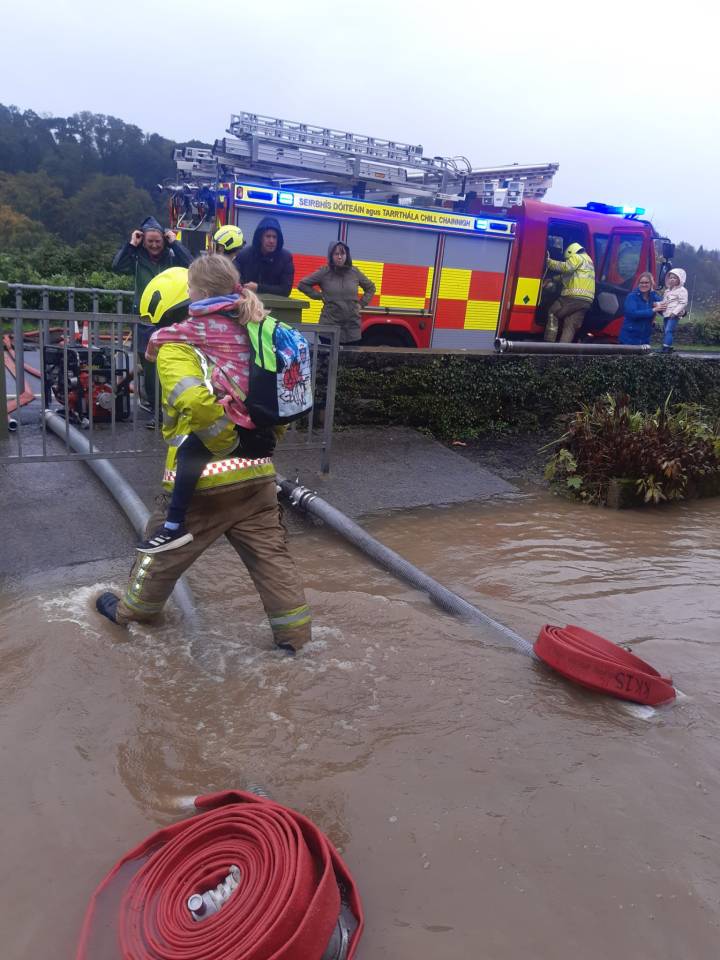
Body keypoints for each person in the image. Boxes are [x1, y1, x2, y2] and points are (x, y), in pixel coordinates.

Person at [94, 264, 312, 654]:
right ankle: (295, 641)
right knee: (272, 561)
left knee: (160, 553)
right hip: (259, 477)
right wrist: (261, 441)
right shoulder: (250, 333)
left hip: (201, 483)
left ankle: (130, 614)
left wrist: (226, 443)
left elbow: (193, 400)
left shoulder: (176, 346)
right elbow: (274, 400)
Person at [138, 255, 276, 553]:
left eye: (190, 287)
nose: (188, 292)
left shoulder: (200, 326)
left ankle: (174, 526)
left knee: (190, 451)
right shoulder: (248, 316)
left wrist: (149, 352)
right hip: (258, 420)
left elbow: (161, 337)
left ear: (202, 293)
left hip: (233, 412)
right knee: (270, 557)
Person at [112, 216, 193, 414]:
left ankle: (174, 407)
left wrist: (175, 242)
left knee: (173, 362)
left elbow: (192, 265)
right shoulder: (137, 258)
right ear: (143, 240)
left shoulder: (172, 255)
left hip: (171, 315)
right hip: (145, 316)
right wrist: (131, 245)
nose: (155, 245)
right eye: (150, 241)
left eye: (158, 241)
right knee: (149, 366)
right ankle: (156, 411)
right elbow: (117, 267)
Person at [298, 241, 376, 345]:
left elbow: (370, 287)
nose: (340, 257)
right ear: (331, 255)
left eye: (342, 254)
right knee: (329, 360)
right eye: (336, 254)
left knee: (349, 360)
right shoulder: (324, 272)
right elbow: (302, 284)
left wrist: (361, 304)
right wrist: (319, 296)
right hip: (329, 329)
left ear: (346, 255)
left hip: (352, 330)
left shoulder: (354, 272)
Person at [544, 242, 596, 343]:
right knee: (570, 326)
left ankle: (548, 344)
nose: (568, 260)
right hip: (586, 301)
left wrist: (549, 262)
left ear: (571, 252)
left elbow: (566, 268)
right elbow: (568, 275)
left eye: (568, 259)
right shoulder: (589, 260)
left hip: (573, 297)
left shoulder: (577, 257)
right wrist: (553, 279)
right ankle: (562, 352)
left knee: (552, 312)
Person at [233, 216, 294, 297]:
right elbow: (233, 280)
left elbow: (285, 290)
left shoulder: (286, 258)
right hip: (246, 304)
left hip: (275, 307)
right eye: (268, 236)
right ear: (260, 238)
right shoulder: (244, 255)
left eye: (274, 237)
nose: (271, 241)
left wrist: (259, 288)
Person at [618, 272, 662, 345]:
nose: (644, 285)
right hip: (629, 339)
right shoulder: (631, 297)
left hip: (644, 340)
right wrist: (653, 310)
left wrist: (681, 312)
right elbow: (632, 314)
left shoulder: (654, 297)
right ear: (638, 284)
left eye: (646, 282)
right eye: (641, 283)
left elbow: (665, 309)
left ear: (651, 284)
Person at [654, 268, 688, 353]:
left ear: (679, 279)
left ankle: (665, 348)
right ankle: (668, 347)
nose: (672, 279)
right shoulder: (667, 291)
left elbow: (683, 302)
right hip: (666, 314)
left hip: (674, 315)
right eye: (670, 277)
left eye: (675, 278)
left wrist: (675, 312)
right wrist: (656, 304)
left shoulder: (682, 290)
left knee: (669, 330)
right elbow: (664, 302)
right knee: (666, 330)